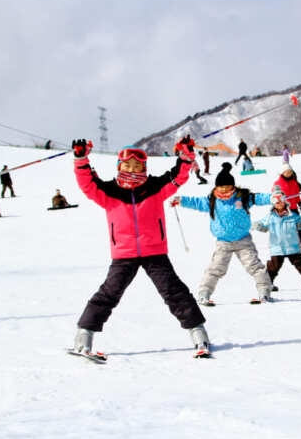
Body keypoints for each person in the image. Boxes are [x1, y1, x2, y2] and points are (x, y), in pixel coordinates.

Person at [70, 137, 211, 359]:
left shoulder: (155, 187)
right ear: (119, 166)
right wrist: (80, 159)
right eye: (127, 165)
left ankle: (199, 334)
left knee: (174, 292)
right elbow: (88, 184)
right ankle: (83, 337)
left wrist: (185, 156)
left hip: (155, 252)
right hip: (124, 254)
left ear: (144, 167)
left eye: (137, 166)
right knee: (108, 293)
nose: (132, 169)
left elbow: (179, 176)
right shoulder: (109, 191)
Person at [172, 162, 274, 304]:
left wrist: (272, 198)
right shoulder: (212, 200)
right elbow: (196, 202)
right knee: (215, 268)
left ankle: (264, 292)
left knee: (255, 266)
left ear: (233, 186)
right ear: (216, 187)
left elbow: (259, 198)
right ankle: (204, 294)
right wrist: (181, 200)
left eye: (227, 186)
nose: (224, 189)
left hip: (243, 240)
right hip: (223, 242)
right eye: (221, 187)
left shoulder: (242, 197)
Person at [253, 186, 301, 292]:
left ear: (285, 201)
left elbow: (299, 225)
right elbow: (264, 227)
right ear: (273, 203)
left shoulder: (292, 215)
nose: (279, 204)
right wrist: (258, 226)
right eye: (276, 202)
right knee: (273, 266)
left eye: (281, 201)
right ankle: (268, 283)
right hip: (277, 247)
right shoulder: (270, 217)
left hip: (292, 246)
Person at [273, 164, 301, 248]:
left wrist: (300, 203)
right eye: (287, 172)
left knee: (300, 224)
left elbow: (296, 195)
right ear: (282, 172)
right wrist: (279, 198)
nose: (289, 174)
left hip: (293, 207)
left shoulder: (294, 182)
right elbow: (274, 196)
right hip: (283, 208)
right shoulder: (277, 183)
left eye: (290, 172)